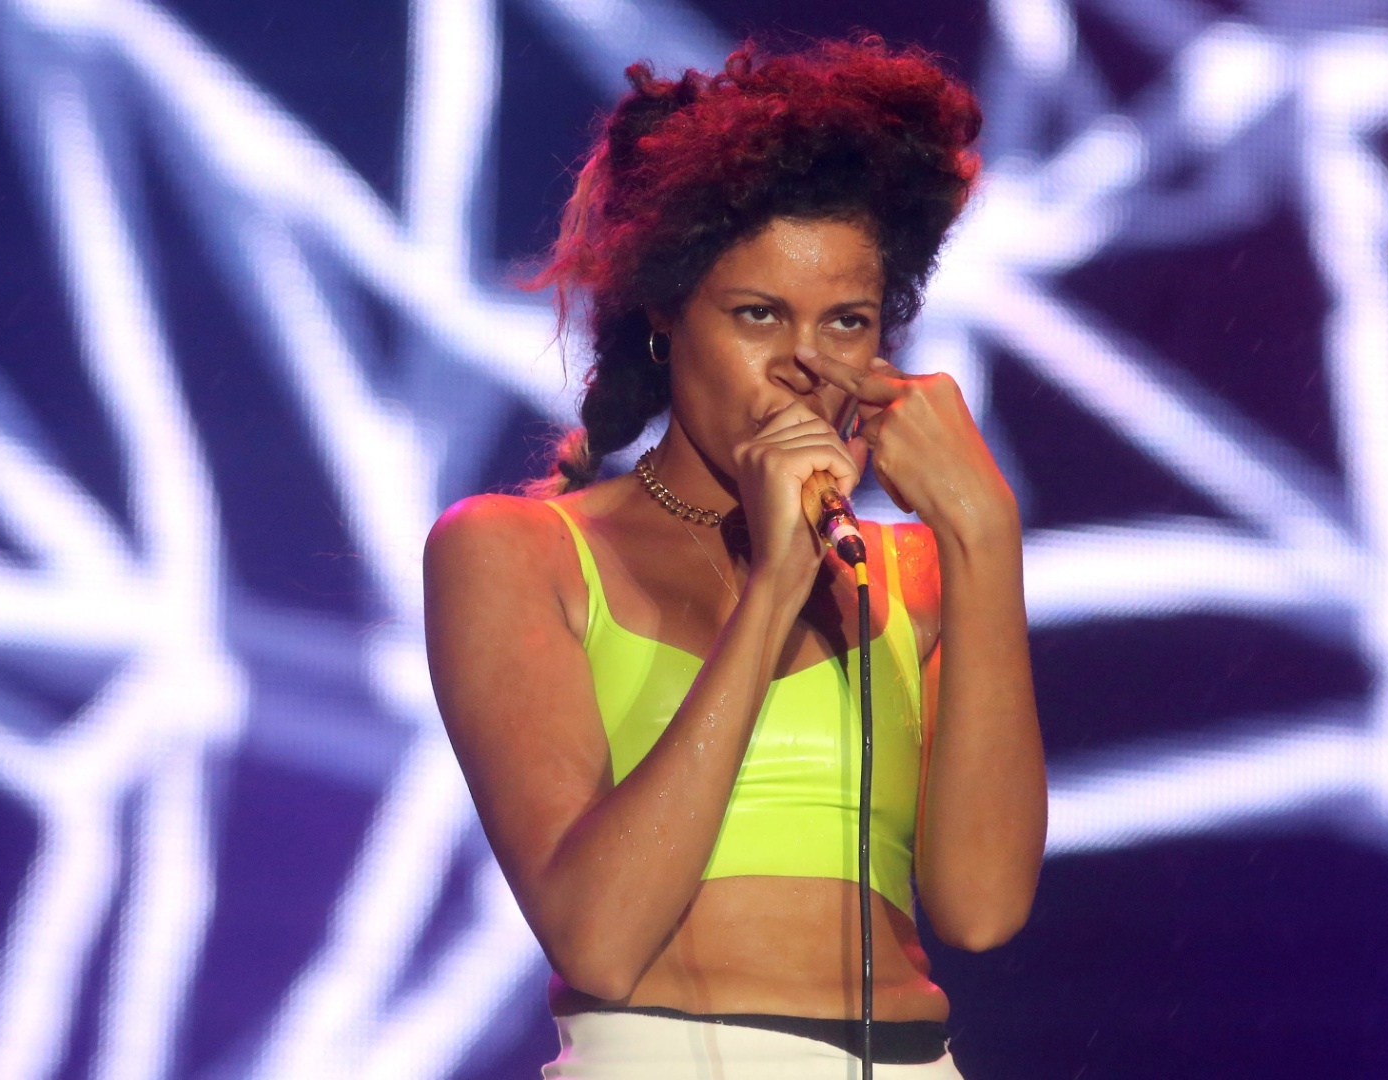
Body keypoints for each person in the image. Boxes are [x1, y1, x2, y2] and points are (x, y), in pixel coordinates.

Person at [423, 37, 1046, 1078]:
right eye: (759, 315)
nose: (806, 364)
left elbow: (982, 910)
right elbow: (598, 935)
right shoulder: (516, 552)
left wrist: (985, 537)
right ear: (667, 318)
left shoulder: (911, 575)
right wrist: (771, 596)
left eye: (846, 322)